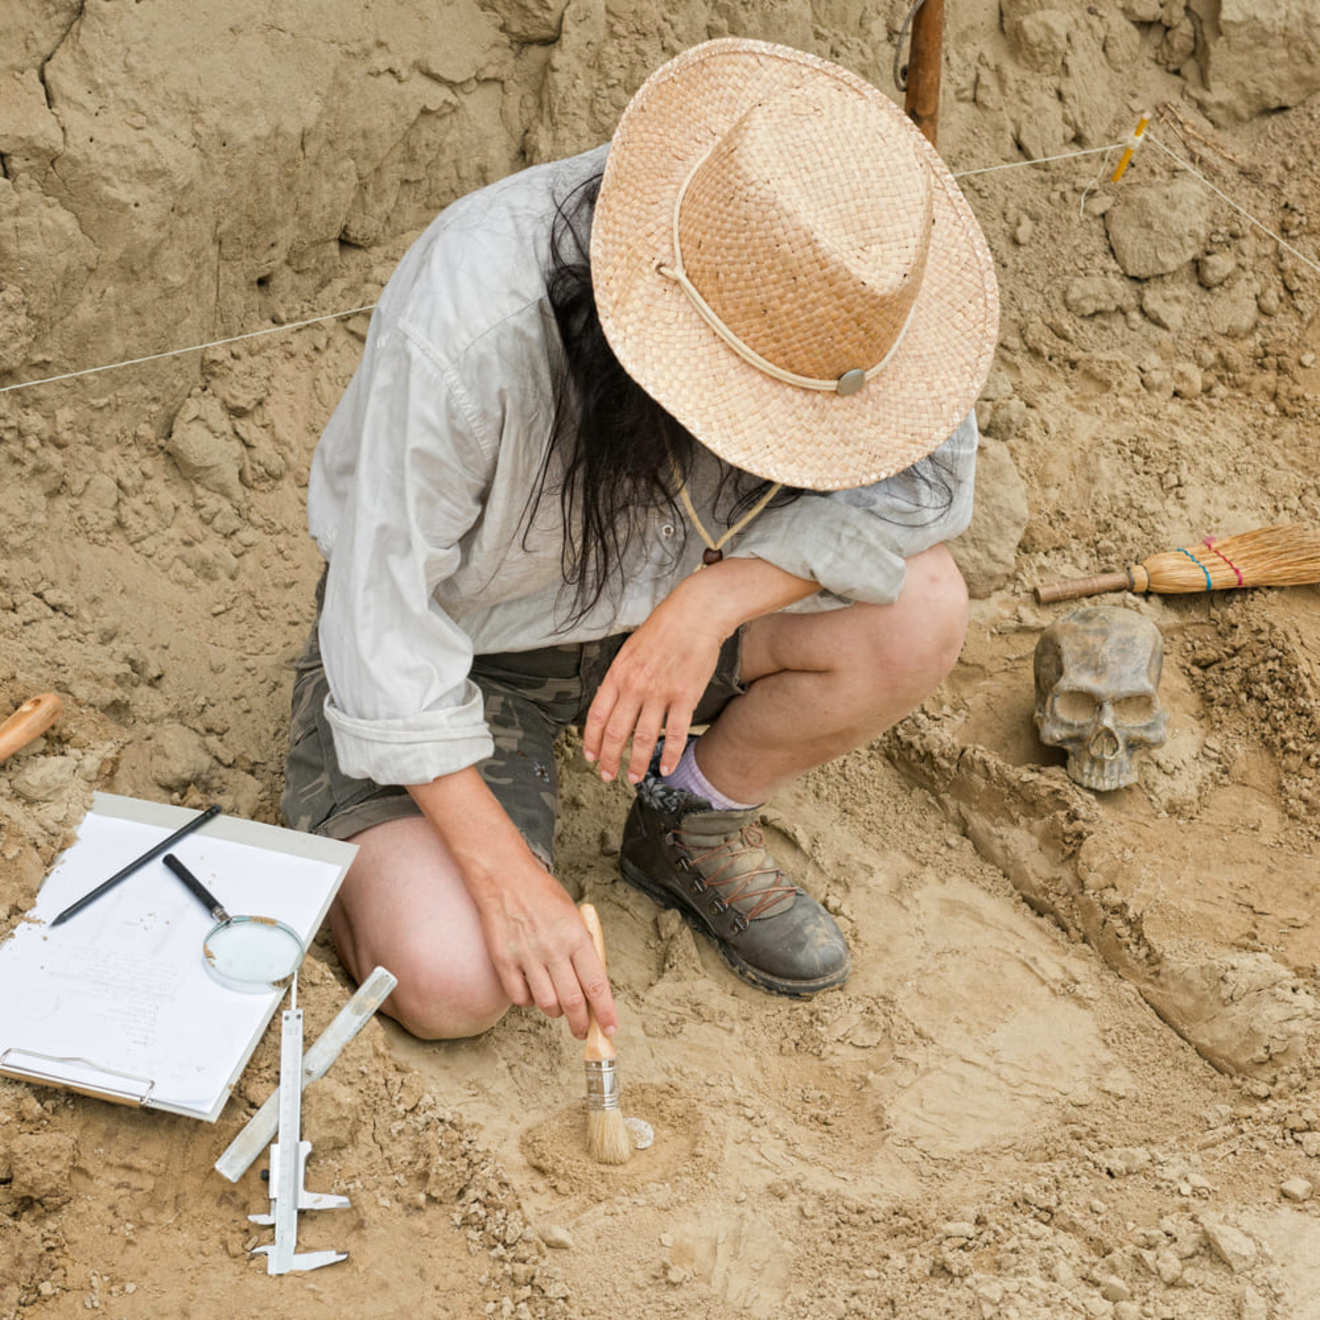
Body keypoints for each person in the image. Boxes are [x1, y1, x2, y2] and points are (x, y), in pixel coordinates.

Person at [281, 38, 998, 1043]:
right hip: (470, 653)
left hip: (674, 608)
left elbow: (922, 493)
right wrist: (503, 880)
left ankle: (684, 825)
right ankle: (441, 833)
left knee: (920, 611)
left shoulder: (867, 287)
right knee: (453, 978)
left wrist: (709, 605)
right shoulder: (472, 322)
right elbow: (380, 623)